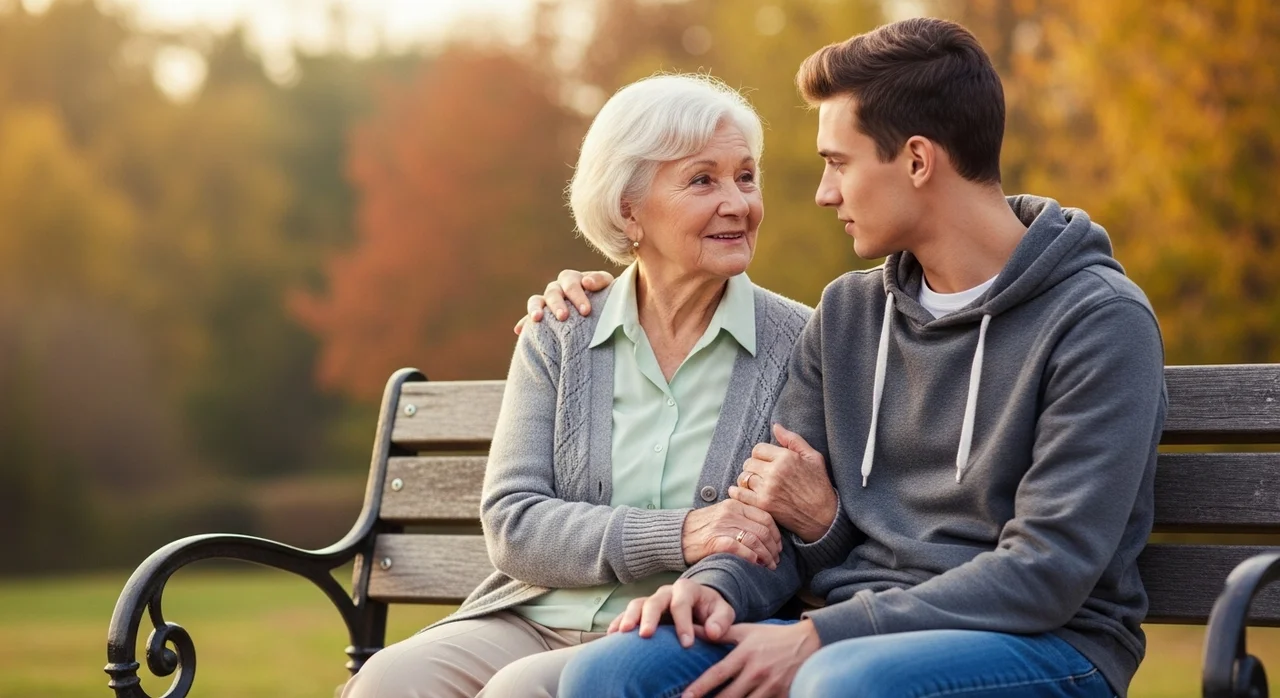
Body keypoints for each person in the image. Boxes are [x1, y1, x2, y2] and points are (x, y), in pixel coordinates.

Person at [534, 17, 1167, 698]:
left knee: (842, 685)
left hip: (1044, 646)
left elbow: (1044, 574)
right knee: (614, 672)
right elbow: (775, 526)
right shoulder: (848, 315)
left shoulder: (1098, 320)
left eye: (839, 162)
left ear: (918, 161)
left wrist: (823, 636)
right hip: (852, 637)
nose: (823, 193)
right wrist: (712, 589)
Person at [339, 73, 823, 698]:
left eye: (746, 176)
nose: (738, 202)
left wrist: (705, 571)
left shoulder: (798, 342)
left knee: (521, 691)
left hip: (673, 627)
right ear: (629, 207)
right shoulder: (563, 330)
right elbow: (513, 523)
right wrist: (681, 532)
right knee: (389, 679)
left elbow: (779, 541)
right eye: (703, 179)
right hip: (533, 614)